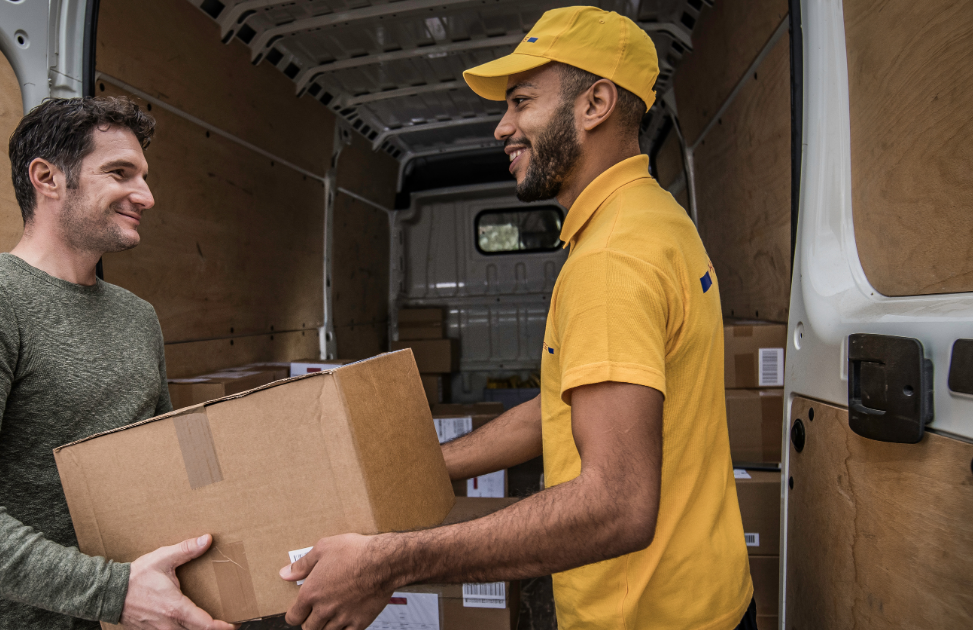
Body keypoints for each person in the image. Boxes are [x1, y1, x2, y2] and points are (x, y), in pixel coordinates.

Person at [279, 7, 757, 630]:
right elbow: (564, 411)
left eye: (522, 101)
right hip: (704, 596)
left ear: (596, 104)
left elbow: (616, 506)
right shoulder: (654, 219)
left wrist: (387, 564)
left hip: (643, 615)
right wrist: (428, 465)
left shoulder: (613, 259)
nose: (503, 127)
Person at [0, 96, 234, 630]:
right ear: (47, 178)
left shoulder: (138, 316)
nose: (145, 195)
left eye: (144, 176)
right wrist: (115, 591)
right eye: (120, 173)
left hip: (139, 616)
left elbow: (166, 467)